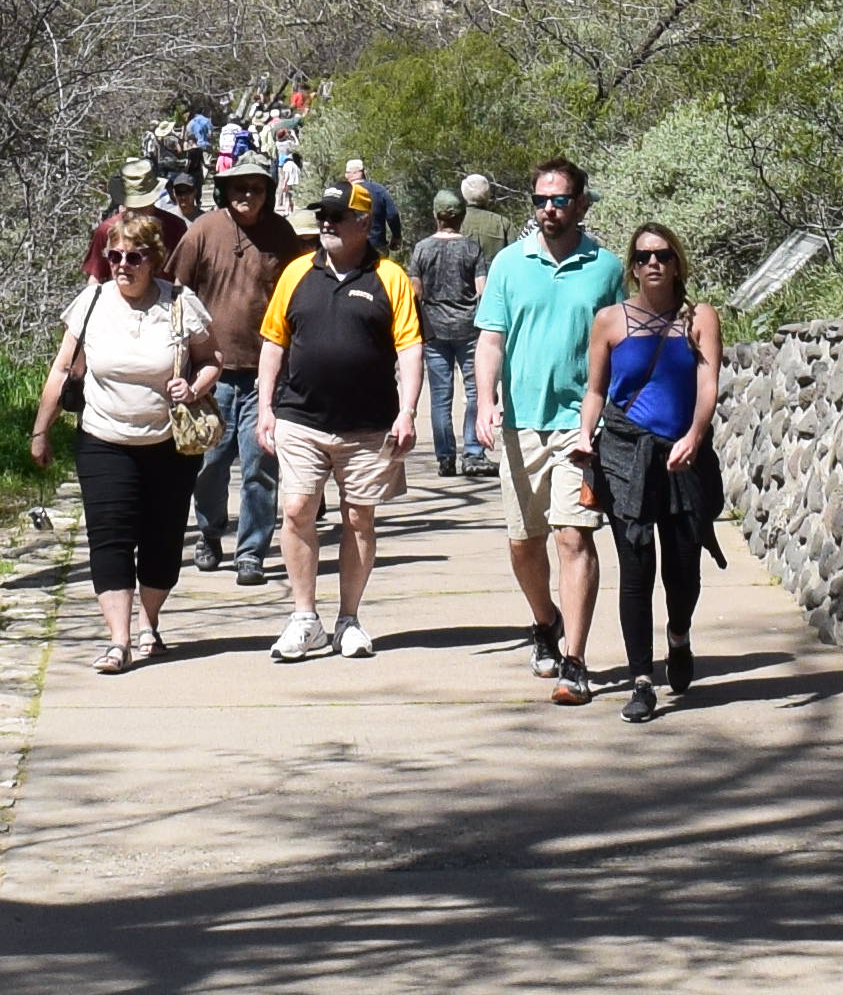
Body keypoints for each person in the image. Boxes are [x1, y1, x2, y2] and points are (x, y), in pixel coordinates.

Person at [29, 207, 212, 672]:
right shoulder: (91, 303)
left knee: (163, 541)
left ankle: (149, 623)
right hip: (103, 438)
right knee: (109, 539)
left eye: (134, 257)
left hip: (168, 444)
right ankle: (119, 640)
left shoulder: (179, 303)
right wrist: (41, 429)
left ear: (154, 259)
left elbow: (214, 360)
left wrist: (194, 386)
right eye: (115, 256)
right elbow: (60, 368)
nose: (123, 266)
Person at [250, 179, 424, 662]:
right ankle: (304, 618)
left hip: (369, 425)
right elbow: (273, 343)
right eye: (322, 215)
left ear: (364, 223)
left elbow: (411, 348)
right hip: (300, 417)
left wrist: (408, 410)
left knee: (358, 517)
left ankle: (349, 619)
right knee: (296, 510)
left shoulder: (389, 277)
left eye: (336, 215)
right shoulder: (296, 273)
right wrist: (265, 408)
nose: (325, 223)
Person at [475, 159, 619, 702]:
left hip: (581, 427)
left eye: (559, 200)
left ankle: (576, 663)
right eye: (540, 200)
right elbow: (490, 340)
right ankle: (544, 621)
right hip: (520, 425)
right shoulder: (510, 264)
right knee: (522, 543)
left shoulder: (605, 268)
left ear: (581, 203)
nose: (549, 210)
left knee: (573, 535)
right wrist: (485, 403)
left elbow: (617, 344)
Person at [589, 221, 727, 717]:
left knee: (684, 566)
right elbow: (596, 391)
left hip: (682, 455)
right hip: (626, 455)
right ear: (632, 266)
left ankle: (679, 634)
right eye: (644, 256)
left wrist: (694, 435)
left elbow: (708, 385)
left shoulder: (699, 318)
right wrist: (584, 435)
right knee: (635, 568)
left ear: (676, 263)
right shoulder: (609, 321)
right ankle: (642, 680)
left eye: (663, 255)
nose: (654, 263)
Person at [173, 154, 293, 580]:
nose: (247, 195)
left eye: (256, 188)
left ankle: (252, 552)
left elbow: (298, 299)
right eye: (239, 187)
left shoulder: (282, 236)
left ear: (268, 193)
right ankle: (208, 532)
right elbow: (175, 293)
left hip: (265, 372)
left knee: (261, 464)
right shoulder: (204, 230)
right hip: (211, 373)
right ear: (225, 190)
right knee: (210, 464)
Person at [408, 183, 488, 479]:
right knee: (474, 392)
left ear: (436, 216)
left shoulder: (422, 249)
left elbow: (415, 292)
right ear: (461, 216)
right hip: (468, 329)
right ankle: (473, 452)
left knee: (441, 396)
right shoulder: (471, 247)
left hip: (434, 329)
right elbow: (482, 290)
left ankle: (445, 457)